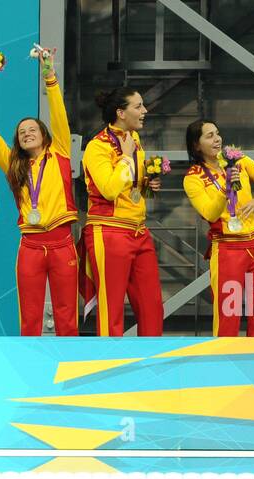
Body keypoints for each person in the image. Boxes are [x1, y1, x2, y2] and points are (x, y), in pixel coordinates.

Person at [0, 58, 79, 335]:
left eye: (33, 129)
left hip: (62, 242)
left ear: (44, 135)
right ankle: (28, 370)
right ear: (17, 141)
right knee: (29, 316)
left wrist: (50, 76)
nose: (27, 133)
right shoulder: (13, 166)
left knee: (67, 315)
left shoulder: (61, 153)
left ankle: (71, 370)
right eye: (21, 132)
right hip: (30, 246)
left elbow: (58, 114)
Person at [184, 121, 254, 336]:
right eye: (209, 136)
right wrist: (225, 188)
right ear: (196, 145)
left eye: (218, 133)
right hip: (228, 249)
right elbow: (209, 213)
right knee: (228, 314)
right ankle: (225, 363)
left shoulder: (237, 159)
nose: (217, 139)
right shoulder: (192, 178)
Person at [81, 88, 164, 336]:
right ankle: (111, 366)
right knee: (112, 309)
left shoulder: (133, 139)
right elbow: (108, 189)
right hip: (109, 231)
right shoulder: (97, 146)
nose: (144, 111)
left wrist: (148, 185)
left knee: (152, 307)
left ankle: (153, 366)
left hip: (139, 230)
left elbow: (132, 189)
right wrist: (127, 158)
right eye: (138, 106)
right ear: (121, 112)